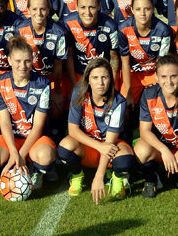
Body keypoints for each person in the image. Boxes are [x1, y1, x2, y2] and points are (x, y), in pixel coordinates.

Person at [0, 36, 57, 190]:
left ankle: (36, 169)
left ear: (32, 60)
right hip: (11, 138)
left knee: (46, 156)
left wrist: (21, 154)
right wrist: (14, 152)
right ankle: (17, 163)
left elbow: (38, 126)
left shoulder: (43, 84)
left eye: (27, 61)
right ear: (9, 60)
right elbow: (4, 122)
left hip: (35, 138)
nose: (22, 66)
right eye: (17, 61)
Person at [57, 58, 134, 204]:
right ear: (88, 80)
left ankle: (116, 178)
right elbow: (73, 131)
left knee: (125, 160)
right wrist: (99, 146)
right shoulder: (79, 93)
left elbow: (109, 142)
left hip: (111, 146)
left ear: (111, 78)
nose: (100, 83)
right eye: (95, 78)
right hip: (90, 146)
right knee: (65, 147)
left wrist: (99, 176)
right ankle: (77, 175)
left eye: (104, 77)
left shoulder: (119, 101)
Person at [16, 0, 68, 116]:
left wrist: (57, 92)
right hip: (29, 78)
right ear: (28, 9)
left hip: (51, 79)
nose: (38, 13)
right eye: (34, 9)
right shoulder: (19, 30)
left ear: (49, 9)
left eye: (43, 9)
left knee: (56, 109)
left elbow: (58, 63)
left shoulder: (60, 32)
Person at [134, 54, 178, 198]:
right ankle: (151, 179)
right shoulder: (149, 94)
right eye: (164, 77)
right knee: (140, 149)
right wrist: (164, 150)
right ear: (157, 78)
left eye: (174, 76)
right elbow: (144, 131)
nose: (169, 81)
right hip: (162, 145)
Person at [119, 0, 171, 111]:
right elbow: (125, 63)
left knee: (161, 105)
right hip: (133, 73)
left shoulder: (163, 30)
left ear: (153, 9)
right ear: (132, 10)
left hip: (154, 73)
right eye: (138, 9)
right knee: (123, 106)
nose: (142, 13)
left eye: (147, 9)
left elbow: (161, 63)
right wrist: (128, 93)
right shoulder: (124, 29)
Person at [63, 0, 119, 84]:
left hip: (102, 77)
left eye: (92, 7)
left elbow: (114, 58)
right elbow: (69, 56)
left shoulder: (110, 26)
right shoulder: (68, 23)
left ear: (98, 6)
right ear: (76, 7)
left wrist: (111, 86)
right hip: (78, 75)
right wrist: (74, 84)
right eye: (83, 7)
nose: (87, 12)